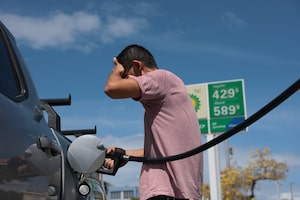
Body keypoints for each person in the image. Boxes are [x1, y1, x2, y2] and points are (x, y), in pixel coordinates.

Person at [104, 44, 203, 200]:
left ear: (137, 66)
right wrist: (126, 154)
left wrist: (116, 70)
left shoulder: (161, 78)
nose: (126, 82)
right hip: (181, 192)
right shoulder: (170, 92)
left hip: (166, 191)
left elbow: (112, 88)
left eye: (126, 76)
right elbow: (166, 151)